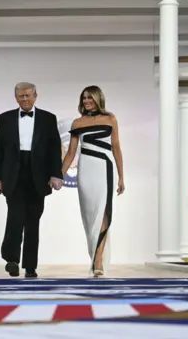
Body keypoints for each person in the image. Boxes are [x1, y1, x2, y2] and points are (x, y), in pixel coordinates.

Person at [0, 82, 63, 278]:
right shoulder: (4, 118)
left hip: (38, 175)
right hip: (12, 174)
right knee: (15, 217)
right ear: (16, 98)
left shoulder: (48, 119)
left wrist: (56, 174)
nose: (24, 99)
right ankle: (12, 259)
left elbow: (54, 149)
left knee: (33, 221)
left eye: (28, 95)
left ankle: (30, 266)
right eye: (21, 96)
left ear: (36, 96)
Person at [62, 85, 125, 277]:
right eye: (84, 98)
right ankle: (95, 255)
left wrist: (122, 177)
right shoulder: (77, 123)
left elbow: (116, 148)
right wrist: (59, 175)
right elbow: (71, 153)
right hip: (85, 171)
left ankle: (98, 262)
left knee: (103, 213)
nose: (87, 101)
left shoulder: (110, 119)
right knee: (90, 217)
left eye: (90, 98)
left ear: (98, 99)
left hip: (104, 169)